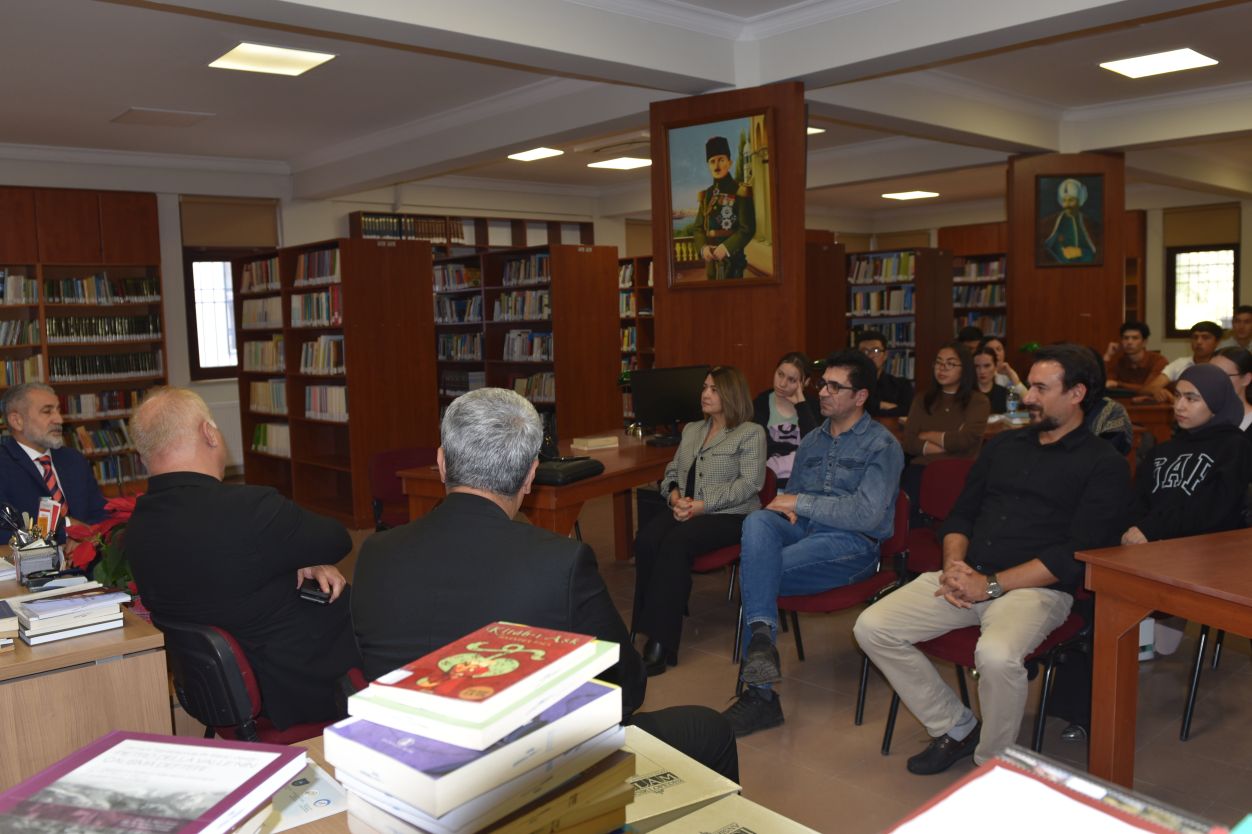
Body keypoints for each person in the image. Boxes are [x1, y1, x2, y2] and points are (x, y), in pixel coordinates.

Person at [351, 388, 739, 779]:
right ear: (531, 475)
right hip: (515, 772)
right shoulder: (560, 563)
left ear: (441, 461)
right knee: (710, 730)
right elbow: (626, 689)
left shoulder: (375, 551)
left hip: (398, 763)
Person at [854, 344, 1128, 774]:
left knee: (997, 656)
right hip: (969, 574)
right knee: (873, 626)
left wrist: (992, 585)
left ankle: (992, 765)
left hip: (1036, 589)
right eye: (1029, 385)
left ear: (1076, 394)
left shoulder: (1103, 464)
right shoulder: (1004, 447)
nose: (1028, 396)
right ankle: (956, 726)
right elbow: (961, 513)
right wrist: (953, 565)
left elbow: (1073, 555)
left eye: (1041, 387)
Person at [124, 387, 360, 730]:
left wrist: (297, 558)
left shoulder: (138, 528)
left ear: (144, 455)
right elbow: (336, 540)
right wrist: (303, 555)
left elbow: (222, 569)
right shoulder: (249, 509)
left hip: (217, 692)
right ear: (209, 433)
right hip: (302, 689)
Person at [720, 349, 904, 737]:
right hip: (805, 530)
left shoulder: (882, 445)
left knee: (759, 572)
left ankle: (760, 694)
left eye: (836, 387)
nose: (823, 392)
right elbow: (796, 497)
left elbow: (866, 515)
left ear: (860, 396)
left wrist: (799, 502)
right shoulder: (815, 440)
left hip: (852, 544)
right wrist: (789, 508)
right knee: (758, 521)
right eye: (823, 384)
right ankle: (761, 646)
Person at [633, 366, 766, 675]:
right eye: (705, 387)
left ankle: (660, 644)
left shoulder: (750, 432)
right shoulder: (692, 429)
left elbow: (750, 485)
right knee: (647, 540)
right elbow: (671, 471)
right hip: (688, 508)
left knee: (676, 544)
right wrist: (675, 497)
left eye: (714, 389)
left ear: (731, 394)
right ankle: (646, 626)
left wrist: (702, 507)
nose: (705, 394)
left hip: (731, 515)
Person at [1122, 363, 1251, 545]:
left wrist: (1152, 529)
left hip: (1208, 552)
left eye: (1191, 399)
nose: (1179, 407)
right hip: (1150, 546)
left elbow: (1213, 508)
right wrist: (1136, 529)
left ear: (1215, 401)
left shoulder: (1234, 447)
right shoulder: (1162, 450)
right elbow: (1137, 502)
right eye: (1177, 396)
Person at [0, 382, 106, 544]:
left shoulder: (74, 460)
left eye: (58, 411)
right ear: (17, 421)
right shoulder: (4, 465)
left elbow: (99, 513)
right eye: (47, 411)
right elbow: (6, 531)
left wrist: (92, 538)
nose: (59, 419)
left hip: (87, 564)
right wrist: (69, 529)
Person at [900, 343, 990, 520]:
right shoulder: (922, 399)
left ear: (965, 369)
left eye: (950, 363)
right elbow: (909, 442)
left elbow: (966, 440)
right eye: (939, 362)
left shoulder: (978, 401)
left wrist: (927, 435)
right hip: (922, 469)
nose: (942, 368)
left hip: (958, 470)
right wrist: (948, 443)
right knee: (906, 510)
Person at [752, 352, 819, 488]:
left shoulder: (813, 406)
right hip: (770, 484)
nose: (782, 384)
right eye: (780, 374)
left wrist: (801, 405)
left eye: (792, 380)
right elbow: (759, 450)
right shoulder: (761, 403)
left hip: (805, 485)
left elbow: (814, 448)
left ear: (805, 382)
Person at [692, 136, 754, 280]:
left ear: (729, 163)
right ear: (708, 165)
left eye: (721, 159)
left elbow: (747, 228)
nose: (716, 165)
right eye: (712, 161)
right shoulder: (707, 195)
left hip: (732, 259)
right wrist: (703, 247)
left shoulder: (740, 191)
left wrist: (726, 248)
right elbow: (698, 228)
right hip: (711, 262)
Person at [1103, 320, 1170, 401]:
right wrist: (1108, 356)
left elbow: (1148, 389)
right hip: (1125, 405)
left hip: (1152, 407)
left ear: (1144, 342)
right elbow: (1104, 384)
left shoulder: (1158, 360)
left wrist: (1118, 384)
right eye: (1126, 338)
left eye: (1135, 338)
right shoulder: (1119, 361)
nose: (1129, 342)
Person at [856, 330, 914, 418]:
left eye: (876, 350)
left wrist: (871, 407)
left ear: (885, 355)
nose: (870, 356)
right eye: (865, 351)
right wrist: (881, 405)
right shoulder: (852, 385)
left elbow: (908, 412)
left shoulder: (901, 385)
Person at [1041, 178, 1098, 264]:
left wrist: (1081, 252)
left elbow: (1099, 252)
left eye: (1071, 200)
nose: (1066, 205)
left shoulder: (1090, 223)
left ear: (1080, 201)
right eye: (1064, 201)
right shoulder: (1049, 222)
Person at [1212, 347, 1252, 432]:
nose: (1213, 382)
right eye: (1210, 375)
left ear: (1246, 379)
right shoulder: (1202, 419)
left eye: (1222, 376)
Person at [973, 347, 1009, 414]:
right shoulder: (965, 394)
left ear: (995, 366)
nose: (982, 371)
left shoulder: (1003, 393)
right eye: (977, 366)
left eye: (987, 366)